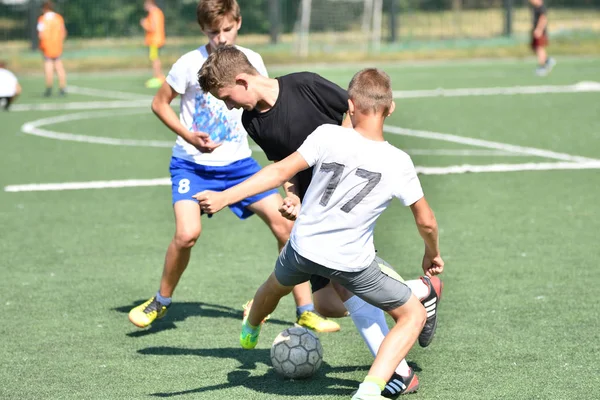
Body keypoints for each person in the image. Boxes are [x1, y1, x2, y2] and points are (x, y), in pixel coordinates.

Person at [198, 45, 444, 396]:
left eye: (226, 97)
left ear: (350, 105)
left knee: (292, 290)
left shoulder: (322, 128)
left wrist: (224, 196)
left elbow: (280, 167)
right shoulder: (395, 161)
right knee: (403, 314)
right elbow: (427, 222)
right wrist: (431, 253)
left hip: (305, 243)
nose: (228, 106)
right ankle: (375, 381)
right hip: (345, 250)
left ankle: (399, 372)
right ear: (390, 108)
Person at [128, 0, 340, 334]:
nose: (221, 37)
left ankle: (306, 309)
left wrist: (291, 183)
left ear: (238, 24)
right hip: (192, 165)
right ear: (203, 30)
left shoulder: (250, 61)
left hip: (239, 164)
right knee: (187, 234)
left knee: (286, 226)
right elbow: (159, 104)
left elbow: (269, 111)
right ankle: (161, 301)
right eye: (214, 32)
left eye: (227, 29)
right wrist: (189, 135)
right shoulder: (187, 64)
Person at [37, 1, 67, 97]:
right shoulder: (58, 18)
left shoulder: (42, 19)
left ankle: (49, 88)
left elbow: (40, 34)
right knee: (59, 67)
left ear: (44, 9)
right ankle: (62, 87)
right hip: (57, 46)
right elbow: (63, 32)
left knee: (48, 67)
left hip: (47, 46)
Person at [140, 0, 166, 88]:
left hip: (155, 41)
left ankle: (158, 77)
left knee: (155, 59)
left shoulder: (154, 13)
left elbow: (153, 27)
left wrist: (144, 24)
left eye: (145, 4)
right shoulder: (157, 12)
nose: (144, 6)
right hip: (156, 40)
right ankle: (159, 76)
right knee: (155, 58)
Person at [529, 0, 556, 76]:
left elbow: (543, 19)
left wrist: (539, 29)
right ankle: (547, 60)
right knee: (535, 48)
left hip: (540, 31)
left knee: (539, 48)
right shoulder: (535, 7)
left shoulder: (541, 8)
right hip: (536, 30)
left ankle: (543, 66)